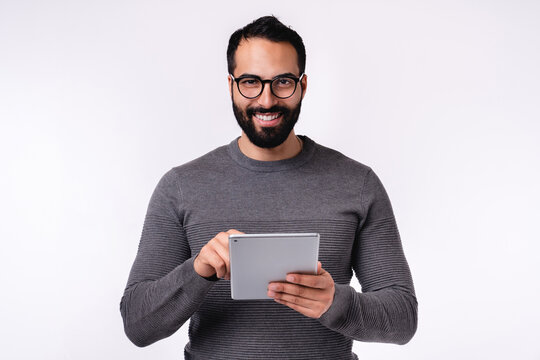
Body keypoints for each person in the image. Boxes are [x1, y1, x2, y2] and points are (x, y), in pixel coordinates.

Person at [120, 15, 418, 360]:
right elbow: (137, 325)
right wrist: (198, 270)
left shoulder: (358, 183)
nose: (266, 100)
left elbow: (402, 318)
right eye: (250, 82)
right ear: (231, 85)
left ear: (303, 86)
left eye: (282, 82)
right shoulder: (180, 187)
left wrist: (334, 303)